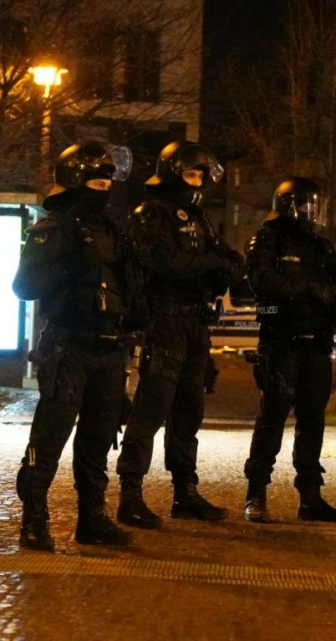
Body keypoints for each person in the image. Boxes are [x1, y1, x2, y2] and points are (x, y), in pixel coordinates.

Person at [12, 140, 141, 552]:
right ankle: (34, 518)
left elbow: (129, 287)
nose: (103, 190)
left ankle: (93, 518)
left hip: (109, 348)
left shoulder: (113, 232)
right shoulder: (54, 227)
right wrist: (69, 263)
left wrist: (137, 317)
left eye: (108, 182)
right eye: (95, 182)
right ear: (75, 182)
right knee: (50, 436)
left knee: (99, 438)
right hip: (69, 346)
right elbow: (24, 287)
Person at [115, 140, 245, 529]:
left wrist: (223, 265)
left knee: (189, 413)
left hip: (196, 324)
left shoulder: (198, 216)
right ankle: (130, 494)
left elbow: (226, 259)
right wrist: (210, 263)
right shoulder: (150, 214)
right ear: (174, 173)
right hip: (165, 321)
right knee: (151, 409)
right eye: (191, 174)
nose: (198, 182)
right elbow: (165, 263)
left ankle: (185, 492)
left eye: (202, 176)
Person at [242, 177, 336, 523]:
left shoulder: (320, 246)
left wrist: (330, 301)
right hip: (280, 342)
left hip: (316, 344)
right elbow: (262, 282)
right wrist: (310, 290)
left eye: (315, 205)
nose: (310, 212)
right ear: (288, 205)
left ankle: (310, 496)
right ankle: (256, 494)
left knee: (313, 421)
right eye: (304, 205)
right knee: (272, 417)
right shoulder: (267, 239)